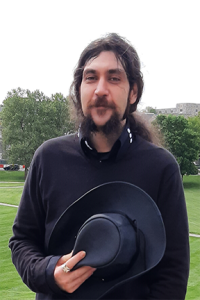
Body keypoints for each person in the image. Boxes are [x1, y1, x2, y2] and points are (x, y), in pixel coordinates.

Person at [9, 33, 189, 300]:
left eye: (114, 78)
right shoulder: (48, 157)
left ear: (133, 92)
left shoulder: (160, 167)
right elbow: (22, 241)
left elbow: (172, 274)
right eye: (91, 78)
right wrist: (49, 272)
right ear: (79, 89)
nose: (100, 89)